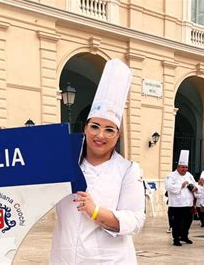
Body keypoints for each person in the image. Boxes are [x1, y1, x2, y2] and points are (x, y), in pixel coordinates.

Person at [50, 59, 145, 263]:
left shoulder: (128, 170)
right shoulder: (65, 163)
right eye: (95, 126)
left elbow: (136, 219)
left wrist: (96, 212)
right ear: (85, 127)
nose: (100, 135)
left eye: (109, 129)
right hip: (66, 257)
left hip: (109, 260)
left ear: (117, 136)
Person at [165, 150, 197, 246]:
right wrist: (181, 185)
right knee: (177, 223)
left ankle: (184, 236)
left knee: (188, 221)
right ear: (178, 167)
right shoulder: (171, 176)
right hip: (176, 204)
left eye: (186, 167)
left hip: (188, 204)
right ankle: (176, 239)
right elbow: (168, 187)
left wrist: (195, 188)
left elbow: (195, 184)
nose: (184, 169)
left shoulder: (189, 175)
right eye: (183, 167)